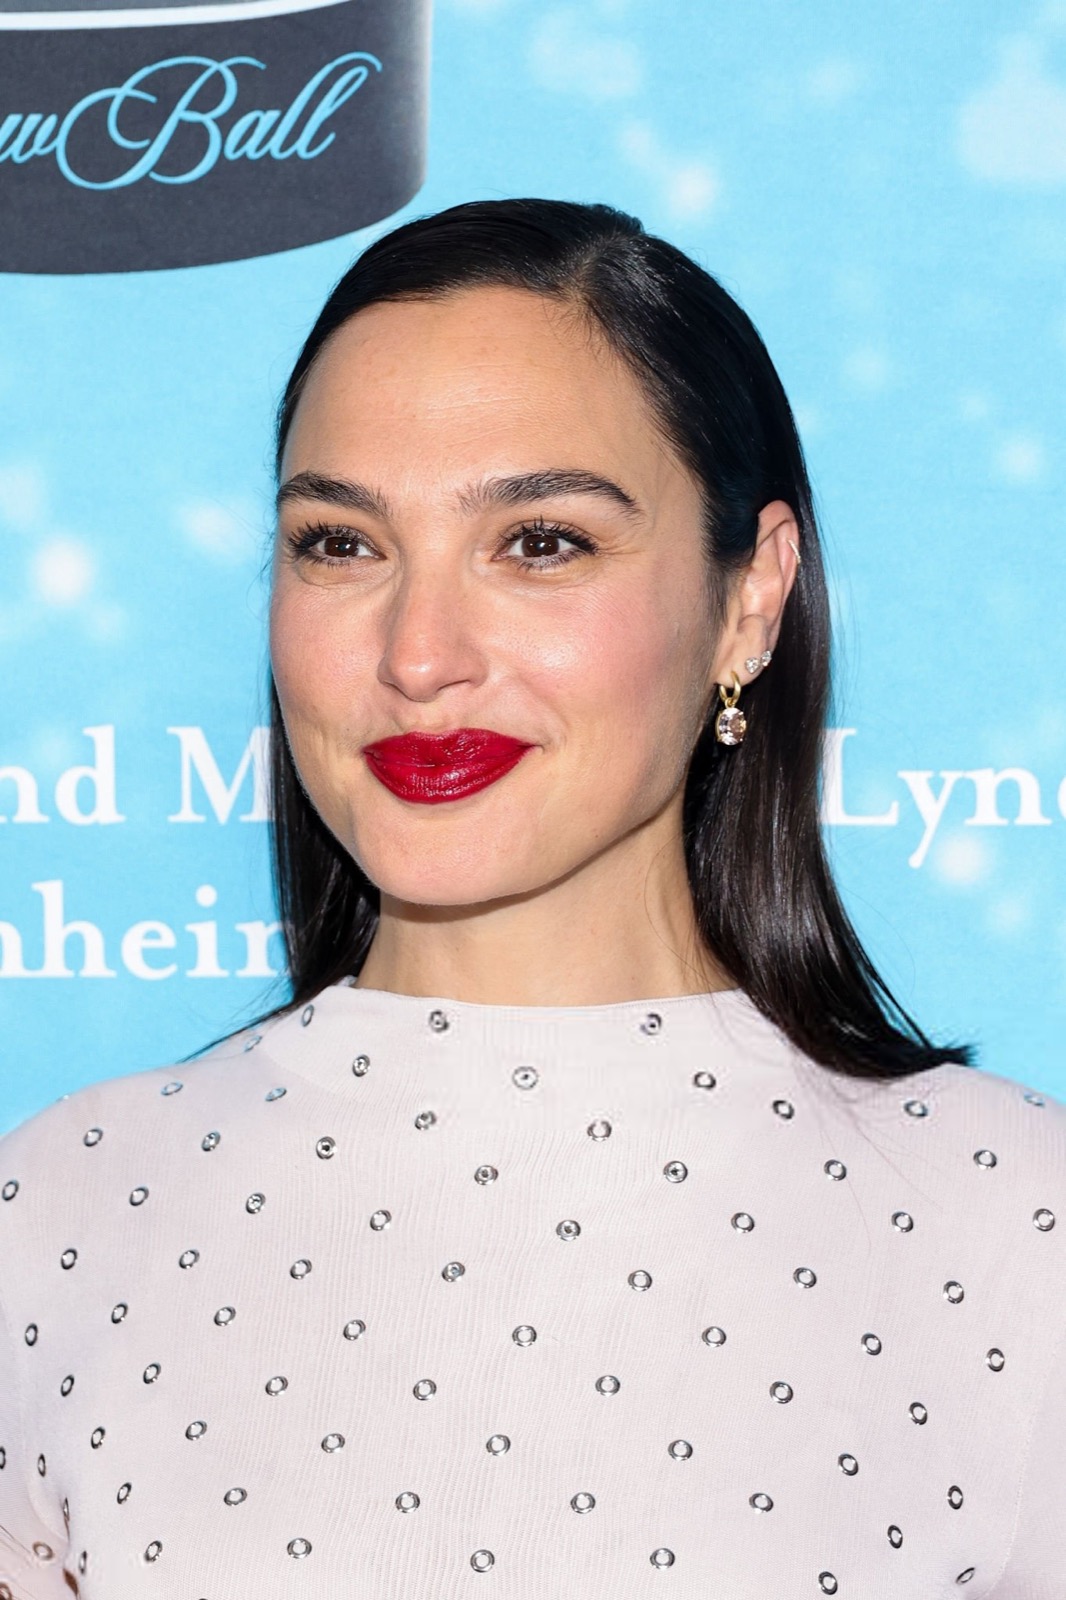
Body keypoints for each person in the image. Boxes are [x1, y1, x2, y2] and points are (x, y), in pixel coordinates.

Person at [1, 199, 1062, 1599]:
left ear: (750, 598)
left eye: (541, 542)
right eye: (341, 543)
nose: (418, 653)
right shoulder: (63, 1210)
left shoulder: (1010, 1221)